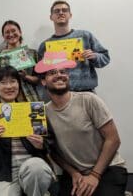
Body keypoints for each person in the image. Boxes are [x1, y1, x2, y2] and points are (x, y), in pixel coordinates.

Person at [35, 51, 127, 196]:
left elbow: (113, 139)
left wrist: (95, 175)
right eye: (52, 72)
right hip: (75, 174)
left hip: (108, 168)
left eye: (63, 71)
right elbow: (52, 151)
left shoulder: (88, 100)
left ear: (68, 76)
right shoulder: (41, 112)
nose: (59, 75)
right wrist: (73, 173)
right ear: (43, 81)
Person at [0, 66, 54, 196]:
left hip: (32, 167)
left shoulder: (33, 109)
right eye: (3, 83)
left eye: (13, 81)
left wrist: (41, 145)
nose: (9, 86)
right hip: (4, 173)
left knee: (36, 167)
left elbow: (50, 142)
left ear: (19, 84)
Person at [38, 0, 110, 92]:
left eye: (64, 10)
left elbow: (105, 58)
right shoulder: (44, 46)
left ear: (70, 15)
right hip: (59, 95)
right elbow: (41, 74)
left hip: (86, 92)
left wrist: (94, 56)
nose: (61, 13)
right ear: (51, 17)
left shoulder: (85, 36)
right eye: (57, 11)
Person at [0, 20, 40, 102]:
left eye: (13, 31)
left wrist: (26, 77)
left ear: (20, 32)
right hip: (7, 100)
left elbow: (39, 80)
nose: (11, 34)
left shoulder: (32, 53)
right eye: (7, 32)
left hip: (30, 98)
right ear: (3, 36)